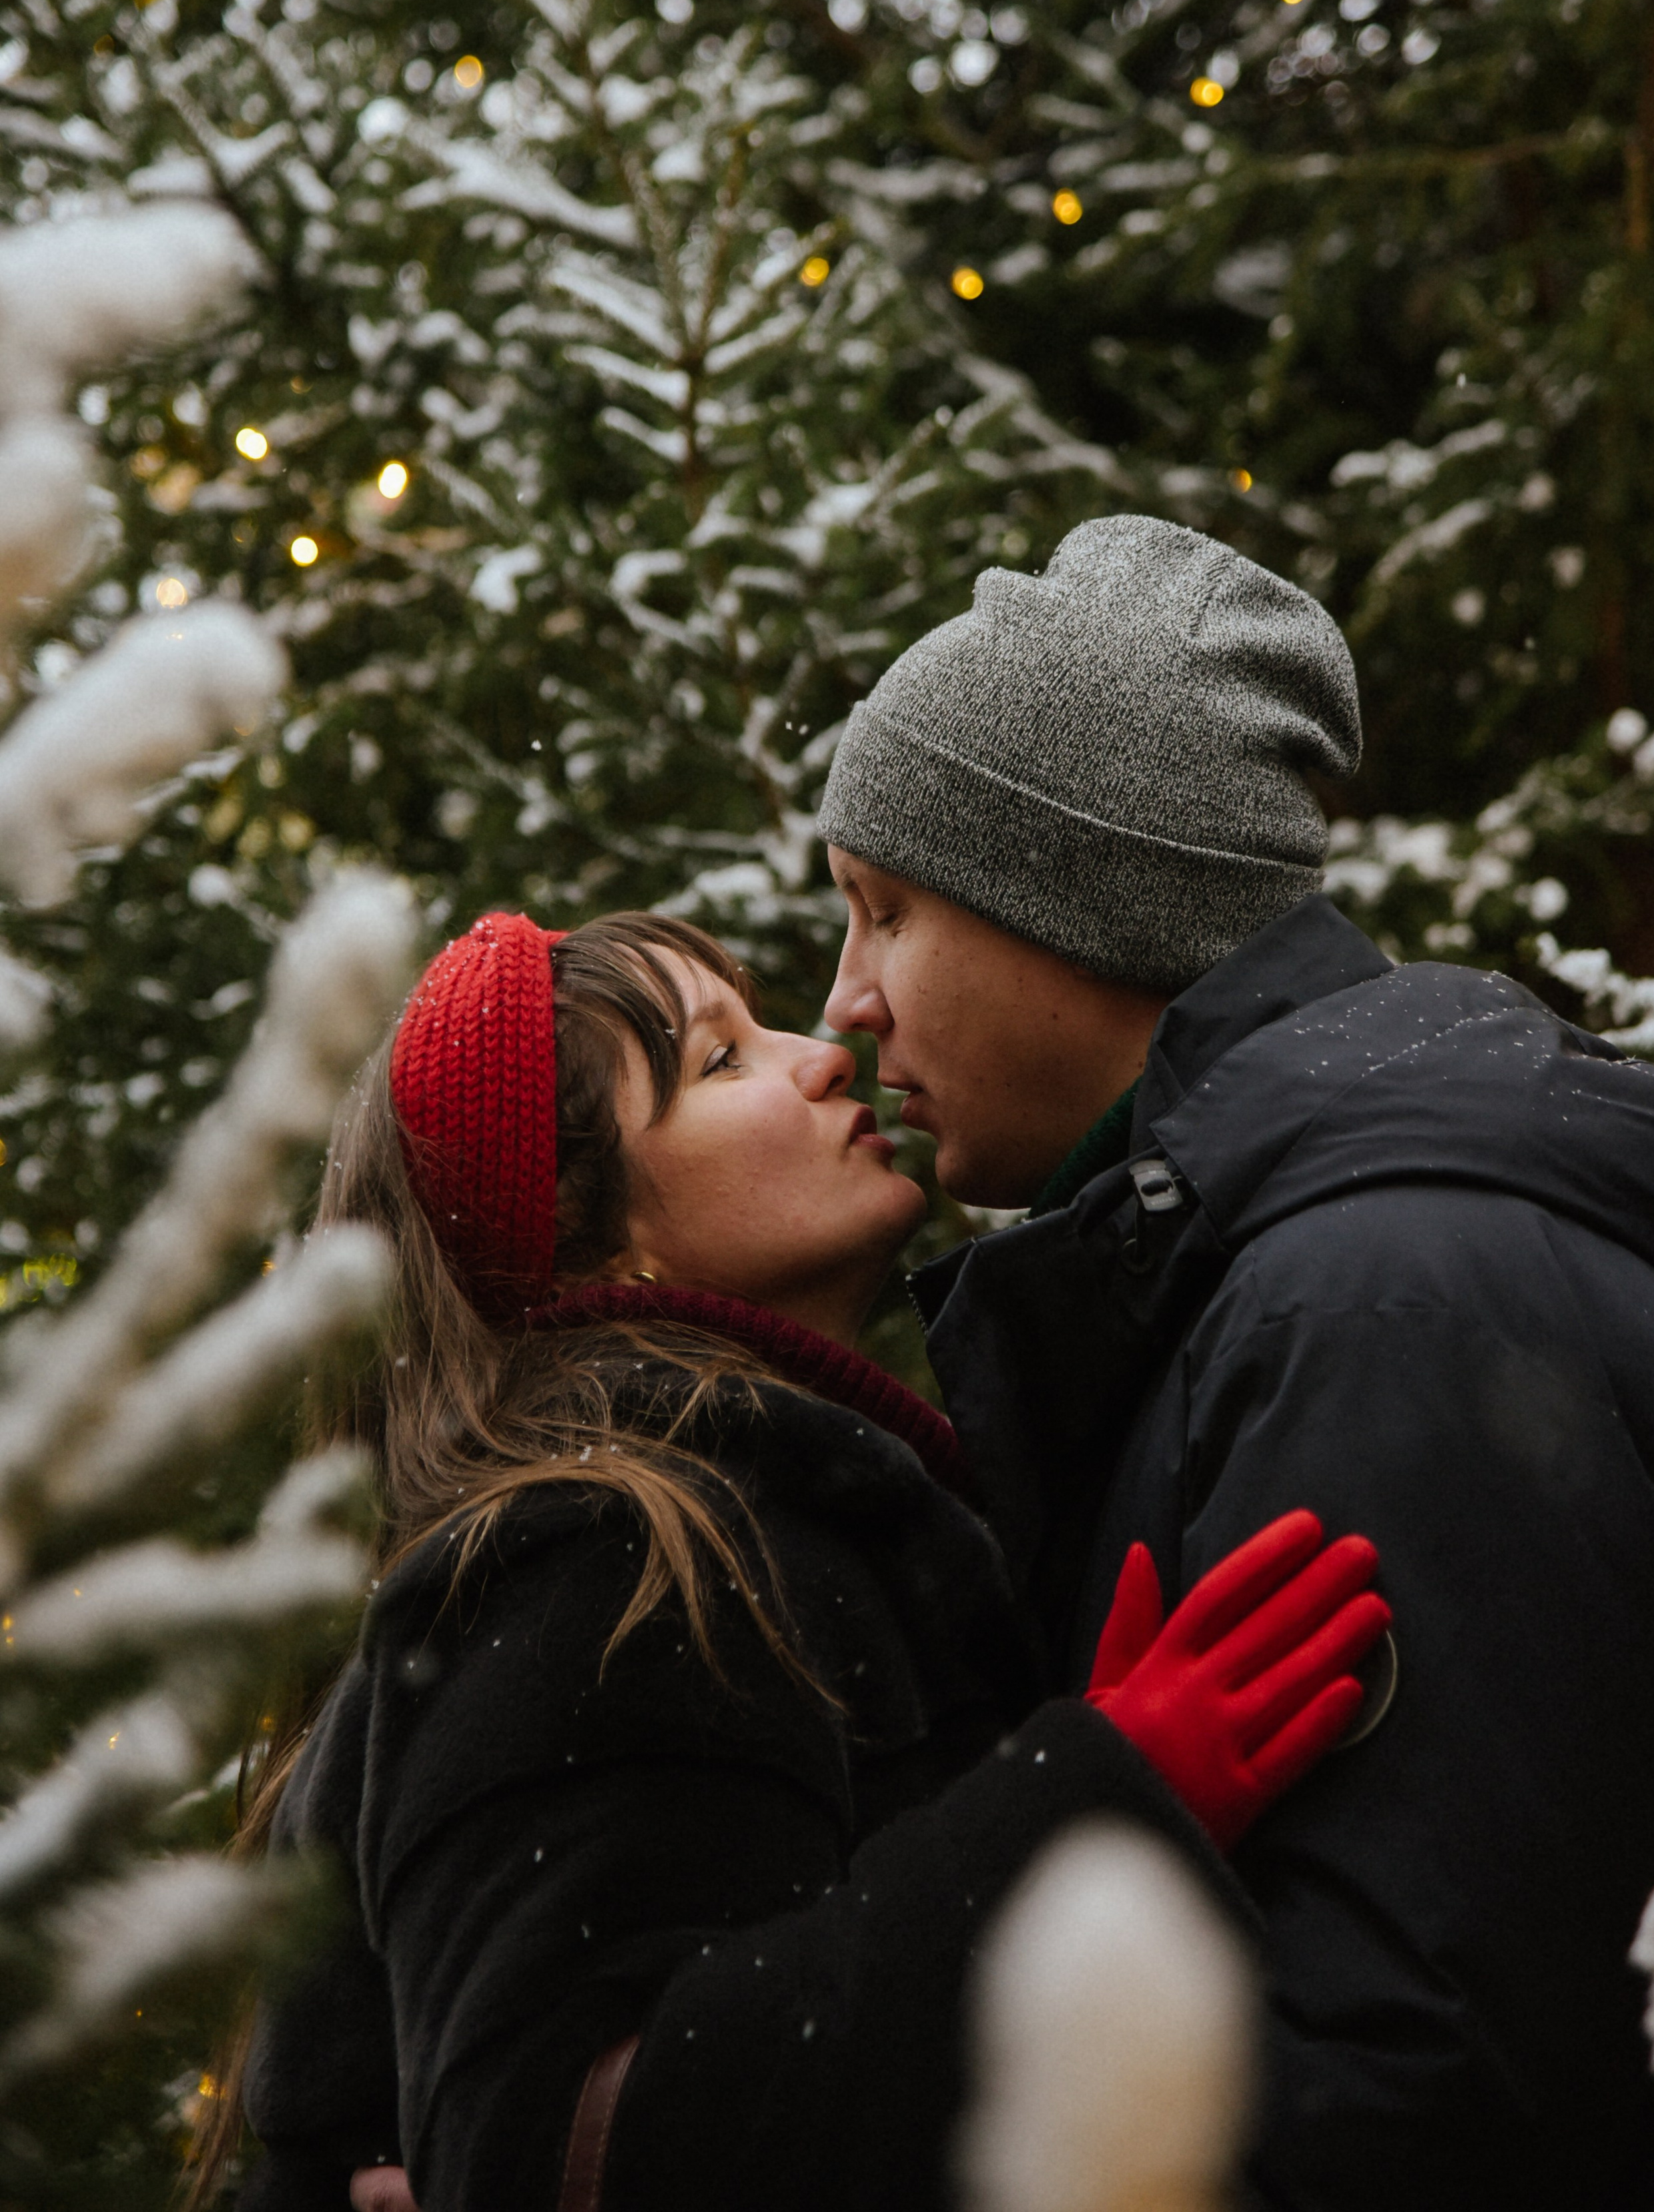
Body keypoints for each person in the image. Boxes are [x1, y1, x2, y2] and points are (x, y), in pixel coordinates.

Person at [214, 909, 1388, 2212]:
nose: (825, 1050)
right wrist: (1092, 1811)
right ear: (597, 1245)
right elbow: (561, 2152)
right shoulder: (592, 1556)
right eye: (721, 1060)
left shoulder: (755, 1511)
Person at [819, 510, 1654, 2212]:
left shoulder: (1384, 1305)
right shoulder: (1272, 1263)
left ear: (1076, 904)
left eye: (885, 910)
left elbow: (1413, 2084)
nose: (846, 999)